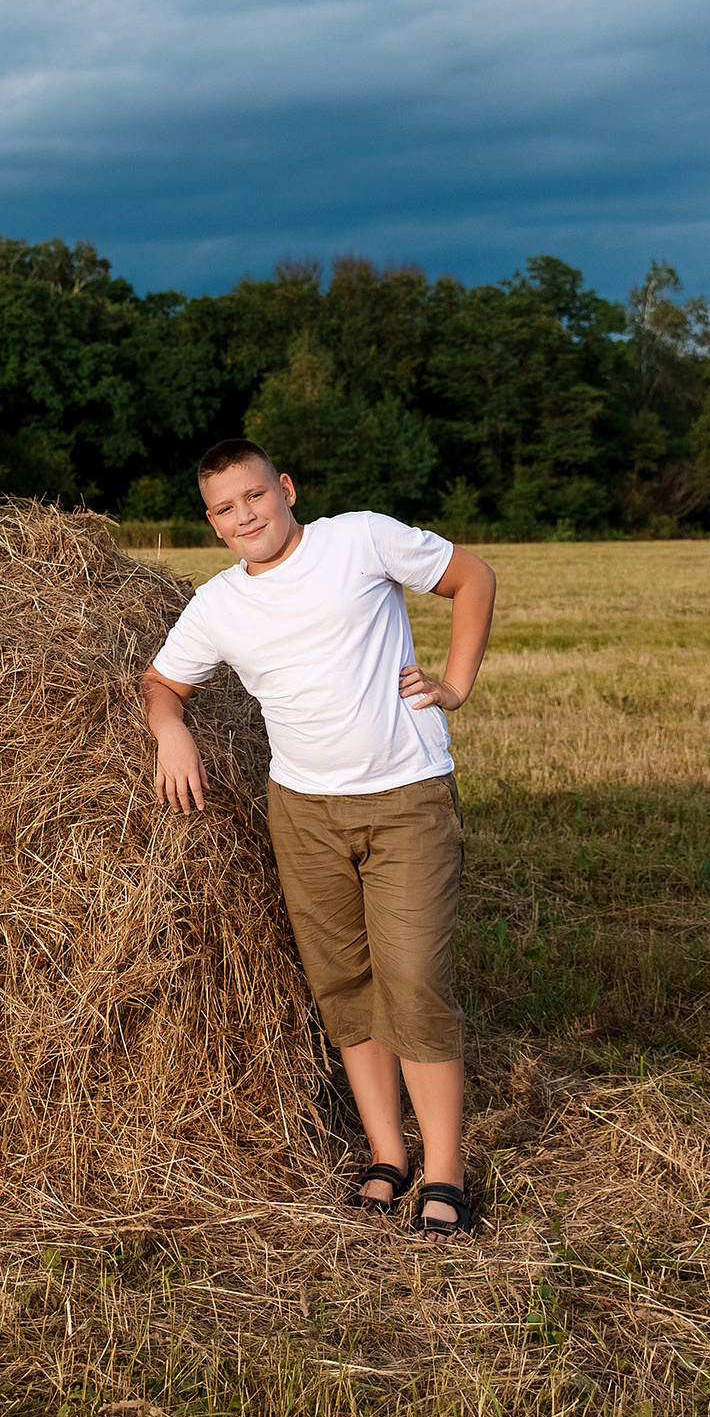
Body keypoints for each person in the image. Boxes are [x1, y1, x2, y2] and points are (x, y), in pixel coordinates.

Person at [141, 439, 495, 1237]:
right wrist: (171, 730)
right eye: (226, 508)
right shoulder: (219, 604)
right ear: (212, 523)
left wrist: (455, 684)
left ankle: (445, 1170)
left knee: (414, 979)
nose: (246, 516)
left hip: (406, 797)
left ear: (286, 488)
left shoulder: (358, 538)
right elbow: (161, 682)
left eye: (255, 495)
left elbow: (472, 577)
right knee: (346, 984)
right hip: (302, 812)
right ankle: (387, 1154)